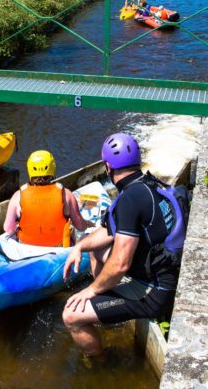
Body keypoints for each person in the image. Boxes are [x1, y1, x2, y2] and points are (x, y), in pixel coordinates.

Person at [62, 133, 187, 360]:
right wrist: (79, 246)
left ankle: (101, 363)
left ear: (108, 167)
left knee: (71, 316)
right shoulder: (147, 184)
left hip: (153, 292)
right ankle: (105, 305)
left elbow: (121, 264)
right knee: (95, 250)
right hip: (162, 271)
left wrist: (90, 290)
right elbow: (107, 232)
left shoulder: (129, 200)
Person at [3, 150, 89, 247]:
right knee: (72, 229)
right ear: (52, 169)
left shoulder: (17, 196)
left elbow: (8, 229)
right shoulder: (66, 195)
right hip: (59, 248)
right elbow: (81, 227)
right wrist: (87, 224)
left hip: (27, 248)